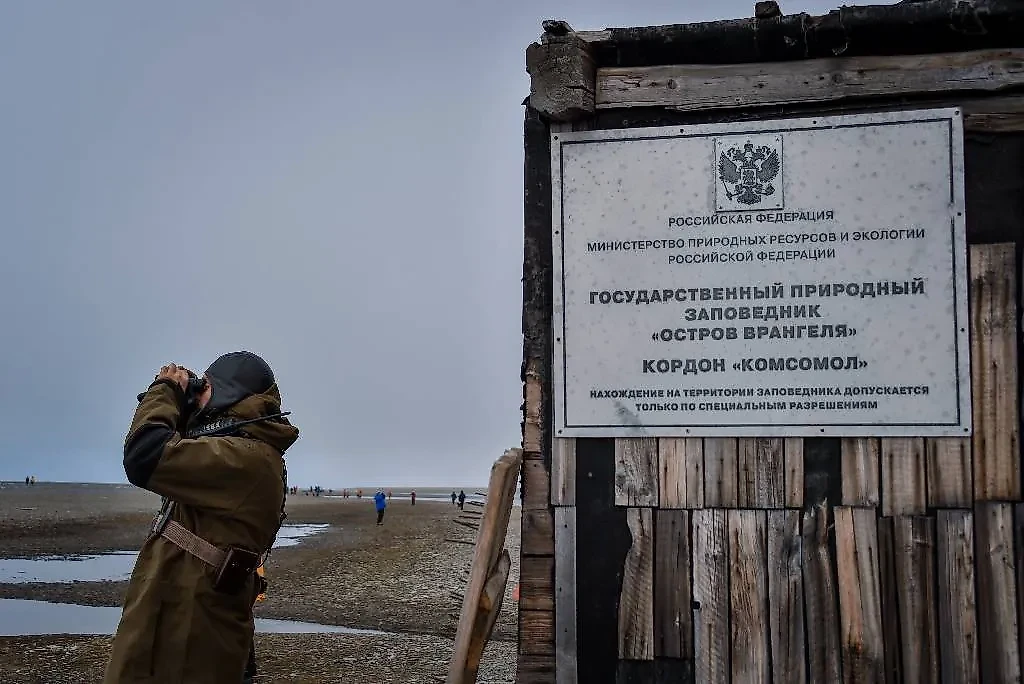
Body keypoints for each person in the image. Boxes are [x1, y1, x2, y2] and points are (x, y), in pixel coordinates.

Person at [103, 352, 298, 684]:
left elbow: (144, 455)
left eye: (204, 388)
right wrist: (184, 404)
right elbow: (177, 445)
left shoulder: (246, 458)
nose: (197, 397)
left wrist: (165, 389)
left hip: (189, 634)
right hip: (181, 621)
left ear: (231, 393)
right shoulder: (238, 453)